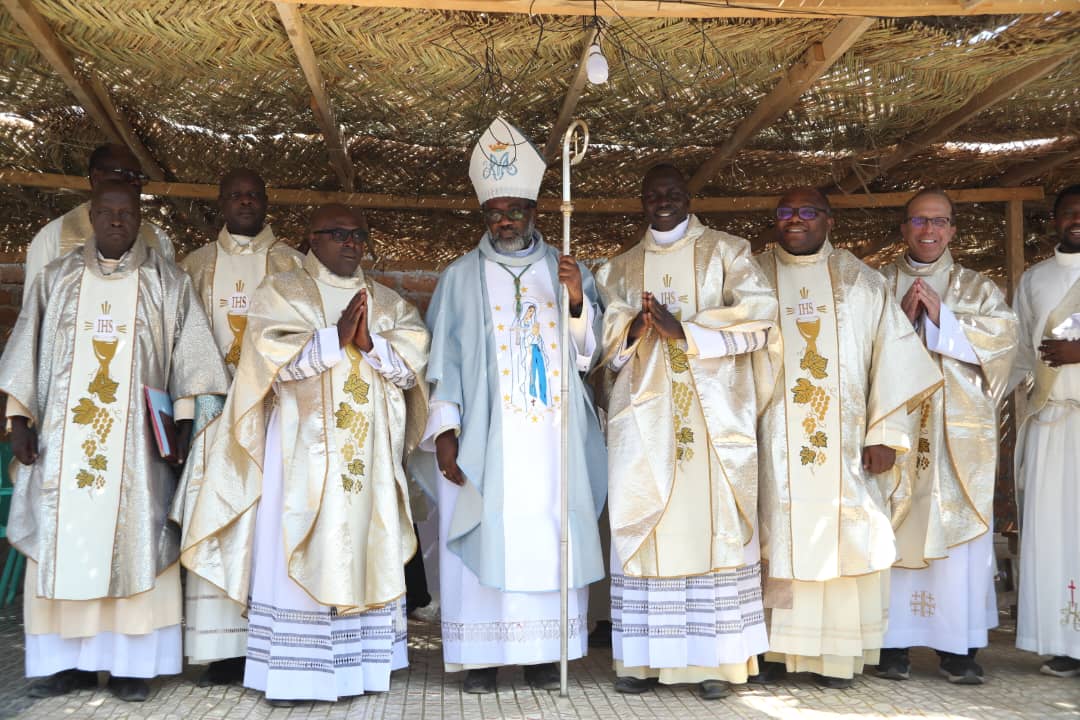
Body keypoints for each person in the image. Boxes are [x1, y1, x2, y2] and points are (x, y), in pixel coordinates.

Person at [181, 204, 429, 704]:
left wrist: (372, 346)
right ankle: (298, 674)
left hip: (367, 461)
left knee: (364, 546)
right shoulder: (281, 293)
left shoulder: (387, 303)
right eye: (337, 233)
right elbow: (267, 364)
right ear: (310, 239)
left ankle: (361, 670)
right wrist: (333, 340)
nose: (350, 242)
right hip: (300, 457)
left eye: (359, 234)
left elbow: (412, 371)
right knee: (299, 541)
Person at [0, 180, 228, 701]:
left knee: (137, 542)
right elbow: (24, 352)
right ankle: (67, 666)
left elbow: (193, 364)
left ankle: (132, 666)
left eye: (128, 213)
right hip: (63, 446)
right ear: (92, 215)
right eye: (108, 212)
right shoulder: (55, 279)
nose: (118, 221)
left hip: (138, 452)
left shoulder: (166, 282)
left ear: (139, 219)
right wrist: (18, 422)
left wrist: (184, 427)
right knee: (65, 540)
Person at [412, 117, 607, 694]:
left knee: (551, 535)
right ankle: (481, 657)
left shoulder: (565, 270)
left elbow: (585, 358)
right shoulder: (459, 277)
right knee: (485, 531)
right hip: (487, 438)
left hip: (552, 441)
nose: (503, 220)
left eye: (514, 209)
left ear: (533, 214)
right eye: (493, 210)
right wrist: (444, 431)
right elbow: (440, 361)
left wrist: (576, 299)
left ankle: (547, 656)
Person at [593, 164, 779, 700]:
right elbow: (606, 346)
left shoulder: (729, 251)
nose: (664, 202)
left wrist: (688, 332)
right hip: (644, 424)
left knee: (711, 531)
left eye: (673, 193)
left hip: (714, 421)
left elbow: (761, 323)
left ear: (689, 196)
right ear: (642, 201)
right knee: (648, 525)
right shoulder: (620, 268)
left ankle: (718, 664)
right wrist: (632, 326)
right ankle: (644, 662)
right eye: (654, 195)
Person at [754, 187, 941, 688]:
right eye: (786, 211)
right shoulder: (749, 278)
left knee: (843, 541)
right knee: (776, 534)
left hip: (846, 446)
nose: (795, 220)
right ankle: (770, 653)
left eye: (807, 211)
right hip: (770, 444)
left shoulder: (862, 282)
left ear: (829, 220)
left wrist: (885, 433)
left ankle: (835, 657)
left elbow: (895, 361)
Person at [876, 189, 1018, 684]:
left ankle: (958, 649)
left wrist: (944, 318)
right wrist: (898, 315)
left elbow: (1004, 348)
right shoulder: (877, 285)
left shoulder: (977, 288)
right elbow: (858, 345)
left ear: (953, 229)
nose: (929, 231)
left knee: (956, 538)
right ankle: (889, 646)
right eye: (919, 221)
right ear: (904, 227)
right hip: (896, 435)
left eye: (939, 222)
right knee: (891, 529)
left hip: (957, 438)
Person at [174, 168, 302, 686]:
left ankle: (268, 640)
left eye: (253, 194)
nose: (245, 202)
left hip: (273, 411)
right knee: (219, 517)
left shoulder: (293, 263)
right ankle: (221, 647)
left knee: (266, 520)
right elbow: (180, 345)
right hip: (215, 414)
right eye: (235, 196)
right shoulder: (194, 266)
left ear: (267, 201)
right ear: (221, 203)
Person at [1012, 184, 1080, 678]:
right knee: (1054, 534)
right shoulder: (1034, 279)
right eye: (1068, 212)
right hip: (1051, 420)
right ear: (1054, 219)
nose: (1076, 219)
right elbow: (1015, 351)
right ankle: (1064, 642)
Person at [23, 143, 174, 303]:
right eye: (127, 175)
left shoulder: (159, 240)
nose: (136, 183)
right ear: (96, 178)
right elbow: (34, 309)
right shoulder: (52, 237)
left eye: (139, 177)